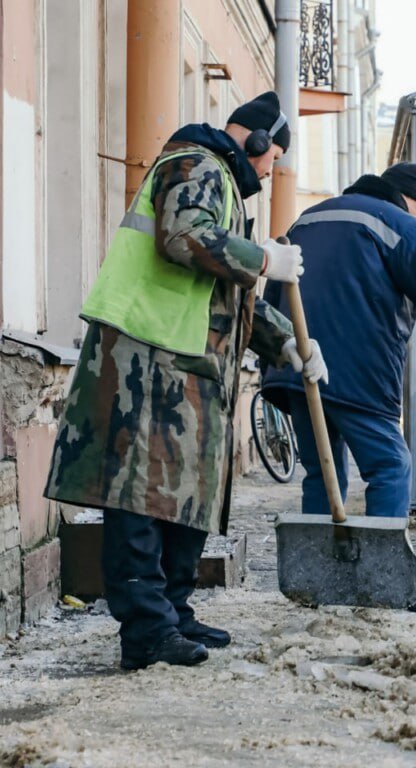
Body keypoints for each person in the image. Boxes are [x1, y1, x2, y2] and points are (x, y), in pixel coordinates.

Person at [44, 92, 328, 671]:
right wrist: (262, 258)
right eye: (271, 157)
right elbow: (180, 236)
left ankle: (172, 609)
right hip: (144, 353)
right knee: (140, 494)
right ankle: (147, 631)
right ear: (254, 141)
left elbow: (228, 295)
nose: (270, 170)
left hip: (186, 357)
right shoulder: (196, 164)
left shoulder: (220, 180)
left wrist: (294, 347)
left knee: (186, 493)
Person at [261, 162, 416, 614]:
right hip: (356, 372)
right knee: (390, 466)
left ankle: (320, 583)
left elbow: (275, 292)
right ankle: (382, 583)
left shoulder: (312, 217)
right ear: (408, 200)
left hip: (297, 366)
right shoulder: (393, 222)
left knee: (322, 473)